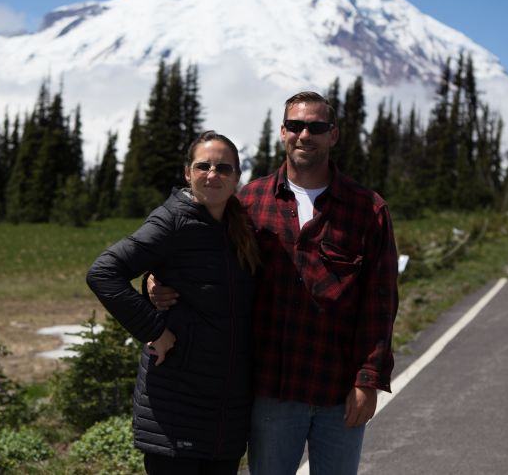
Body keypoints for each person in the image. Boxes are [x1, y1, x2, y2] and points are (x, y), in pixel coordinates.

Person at [150, 91, 399, 474]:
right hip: (270, 391)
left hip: (338, 390)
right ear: (282, 132)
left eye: (316, 127)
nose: (305, 135)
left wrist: (368, 381)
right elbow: (200, 261)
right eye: (296, 126)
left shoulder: (368, 209)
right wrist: (154, 280)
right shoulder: (248, 202)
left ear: (333, 135)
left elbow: (380, 305)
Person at [86, 131, 259, 475]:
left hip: (226, 410)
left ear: (238, 177)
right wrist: (154, 329)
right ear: (187, 173)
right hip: (176, 407)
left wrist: (151, 278)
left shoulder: (239, 226)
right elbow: (104, 272)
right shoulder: (173, 219)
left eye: (224, 168)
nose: (213, 174)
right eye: (203, 166)